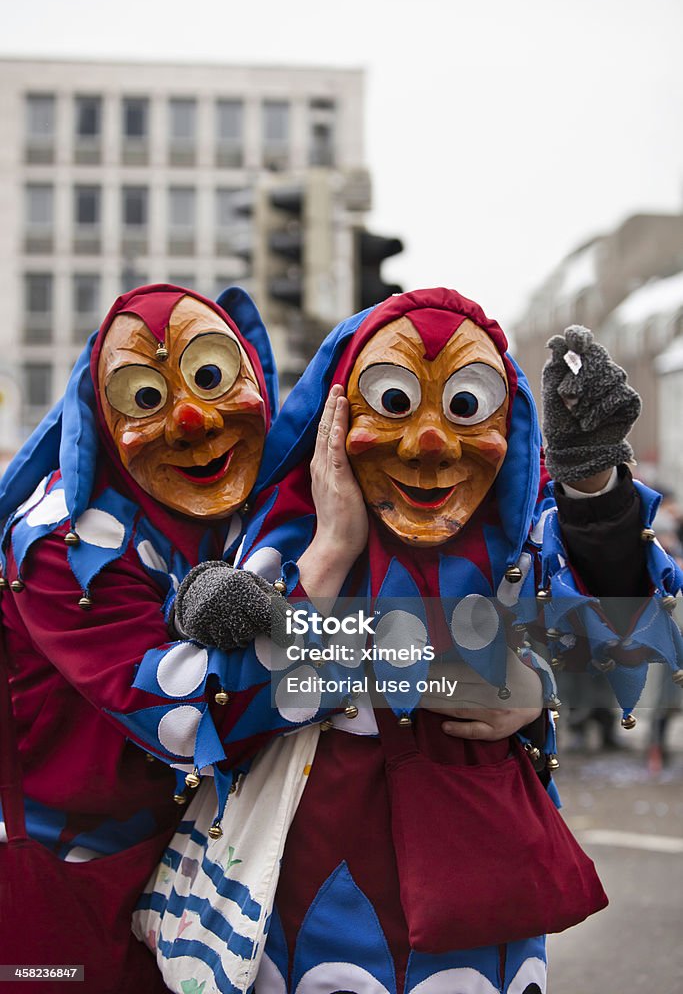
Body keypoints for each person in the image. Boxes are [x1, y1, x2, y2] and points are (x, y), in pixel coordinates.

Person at [173, 288, 683, 994]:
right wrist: (329, 553)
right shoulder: (283, 543)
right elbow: (210, 714)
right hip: (312, 891)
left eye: (465, 406)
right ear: (335, 415)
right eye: (393, 402)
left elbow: (615, 618)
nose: (430, 443)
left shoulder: (510, 539)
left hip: (479, 899)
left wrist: (592, 478)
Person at [0, 284, 277, 991]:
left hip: (196, 874)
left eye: (212, 377)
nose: (192, 417)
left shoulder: (257, 510)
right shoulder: (61, 543)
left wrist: (513, 681)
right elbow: (185, 719)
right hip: (69, 886)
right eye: (146, 397)